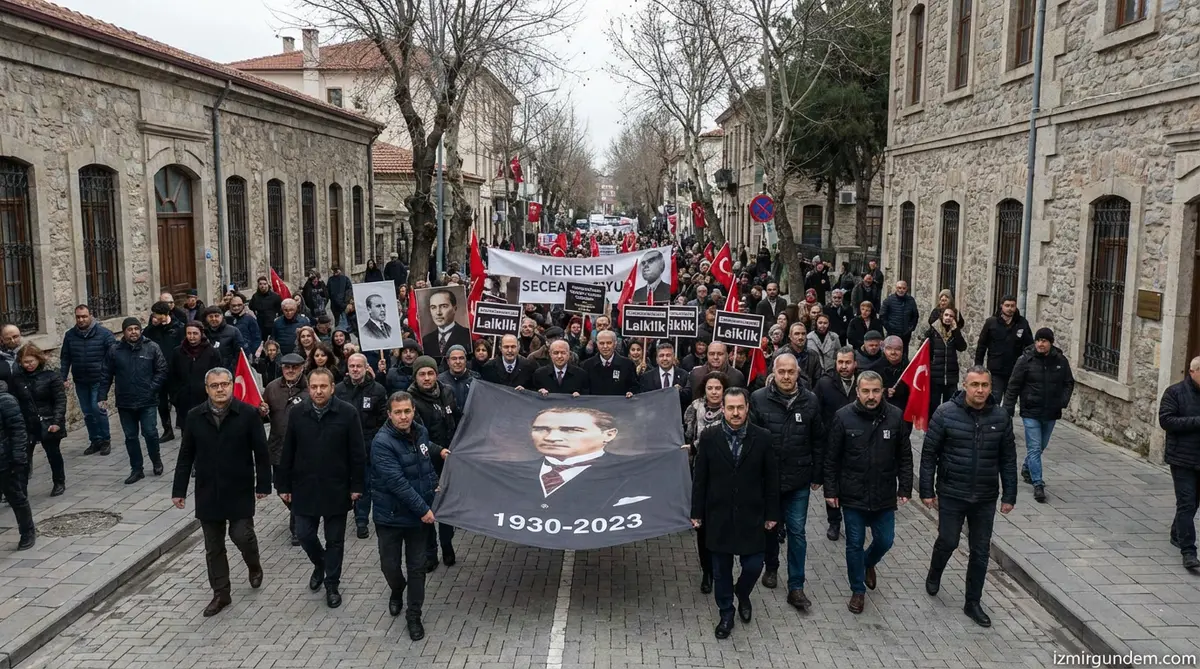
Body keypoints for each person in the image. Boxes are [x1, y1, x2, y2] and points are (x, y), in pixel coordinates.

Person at [920, 366, 1017, 628]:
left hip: (985, 496)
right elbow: (930, 454)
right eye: (975, 385)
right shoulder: (945, 414)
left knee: (980, 551)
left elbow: (1008, 458)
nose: (980, 390)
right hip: (952, 491)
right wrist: (926, 490)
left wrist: (1010, 494)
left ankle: (972, 601)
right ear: (965, 385)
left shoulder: (1001, 417)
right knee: (948, 540)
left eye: (985, 385)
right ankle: (935, 570)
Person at [171, 367, 270, 617]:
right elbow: (185, 456)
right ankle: (221, 594)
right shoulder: (195, 417)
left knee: (241, 535)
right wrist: (178, 490)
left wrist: (263, 485)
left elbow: (261, 452)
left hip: (239, 488)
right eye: (214, 386)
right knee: (213, 546)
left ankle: (253, 564)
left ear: (231, 386)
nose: (220, 389)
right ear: (207, 389)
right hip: (208, 492)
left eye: (224, 384)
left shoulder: (247, 414)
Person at [690, 387, 779, 639]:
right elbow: (700, 478)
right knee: (721, 571)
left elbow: (771, 479)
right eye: (731, 408)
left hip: (752, 515)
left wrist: (772, 513)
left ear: (747, 408)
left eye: (740, 407)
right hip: (719, 516)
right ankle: (726, 612)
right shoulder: (709, 436)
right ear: (724, 410)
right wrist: (697, 512)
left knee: (753, 565)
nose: (736, 413)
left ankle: (743, 592)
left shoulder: (762, 438)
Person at [276, 367, 367, 609]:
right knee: (305, 534)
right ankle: (321, 563)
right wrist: (283, 484)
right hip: (304, 486)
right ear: (308, 388)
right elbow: (288, 450)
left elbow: (357, 453)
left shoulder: (347, 413)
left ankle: (332, 584)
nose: (318, 391)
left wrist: (357, 485)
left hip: (336, 487)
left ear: (332, 387)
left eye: (323, 386)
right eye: (314, 387)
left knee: (335, 540)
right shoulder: (297, 413)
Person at [823, 371, 912, 614]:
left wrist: (905, 486)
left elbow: (904, 455)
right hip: (853, 494)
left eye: (875, 391)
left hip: (883, 493)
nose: (871, 396)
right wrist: (830, 491)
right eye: (866, 391)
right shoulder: (842, 417)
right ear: (857, 392)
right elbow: (831, 458)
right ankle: (857, 590)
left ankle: (868, 563)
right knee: (854, 543)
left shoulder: (895, 417)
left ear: (882, 391)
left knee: (885, 540)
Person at [749, 354, 824, 609]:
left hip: (798, 479)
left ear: (798, 373)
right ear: (774, 371)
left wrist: (817, 474)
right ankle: (771, 566)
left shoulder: (810, 401)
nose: (786, 376)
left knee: (797, 532)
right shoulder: (758, 399)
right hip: (767, 480)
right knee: (769, 527)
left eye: (791, 372)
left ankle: (796, 586)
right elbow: (752, 440)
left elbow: (818, 439)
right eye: (781, 371)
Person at [370, 391, 445, 640]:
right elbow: (397, 483)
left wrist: (440, 451)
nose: (403, 417)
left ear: (413, 411)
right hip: (390, 517)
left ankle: (414, 615)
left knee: (417, 568)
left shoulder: (420, 431)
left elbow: (424, 452)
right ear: (389, 414)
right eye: (398, 412)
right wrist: (424, 509)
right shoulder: (381, 443)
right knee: (389, 565)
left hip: (416, 521)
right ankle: (396, 588)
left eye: (407, 411)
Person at [1002, 328, 1075, 504]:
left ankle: (1027, 467)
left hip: (1051, 411)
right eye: (1038, 340)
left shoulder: (1060, 361)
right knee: (1034, 447)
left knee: (1041, 446)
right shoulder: (1025, 360)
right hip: (1030, 411)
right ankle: (1038, 484)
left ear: (1051, 343)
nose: (1041, 344)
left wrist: (1062, 401)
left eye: (1044, 341)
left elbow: (1068, 383)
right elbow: (1013, 385)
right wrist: (1008, 409)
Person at [99, 318, 168, 484]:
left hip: (147, 400)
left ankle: (156, 460)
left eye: (136, 328)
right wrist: (102, 396)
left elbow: (162, 370)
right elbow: (106, 374)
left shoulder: (152, 347)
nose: (134, 332)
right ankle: (137, 469)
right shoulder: (115, 350)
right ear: (124, 332)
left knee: (150, 433)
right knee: (130, 437)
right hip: (125, 401)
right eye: (130, 329)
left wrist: (151, 388)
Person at [407, 355, 460, 570]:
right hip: (425, 461)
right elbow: (415, 436)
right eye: (422, 374)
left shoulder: (446, 391)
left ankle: (447, 545)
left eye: (430, 373)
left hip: (449, 459)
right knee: (427, 509)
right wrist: (439, 451)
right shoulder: (410, 400)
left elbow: (457, 418)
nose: (427, 378)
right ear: (415, 377)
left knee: (446, 506)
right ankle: (431, 552)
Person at [683, 371, 728, 594]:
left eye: (718, 388)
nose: (714, 392)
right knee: (703, 528)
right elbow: (687, 436)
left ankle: (721, 569)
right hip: (700, 473)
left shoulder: (732, 408)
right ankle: (707, 571)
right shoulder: (694, 408)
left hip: (726, 475)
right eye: (710, 388)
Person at [335, 354, 388, 540]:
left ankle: (362, 520)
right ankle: (355, 515)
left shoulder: (378, 390)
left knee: (366, 483)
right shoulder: (339, 390)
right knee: (353, 483)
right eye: (352, 366)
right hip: (344, 446)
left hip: (369, 444)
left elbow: (383, 419)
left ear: (366, 368)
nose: (355, 369)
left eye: (359, 366)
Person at [260, 352, 308, 545]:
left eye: (294, 367)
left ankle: (297, 527)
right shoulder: (271, 388)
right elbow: (264, 416)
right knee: (281, 488)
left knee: (298, 488)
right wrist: (262, 412)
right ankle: (300, 512)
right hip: (278, 447)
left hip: (303, 450)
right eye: (286, 367)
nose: (290, 370)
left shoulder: (310, 388)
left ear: (302, 368)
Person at [1158, 356, 1200, 571]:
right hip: (1182, 458)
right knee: (1186, 503)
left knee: (1193, 504)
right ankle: (1189, 552)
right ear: (1192, 372)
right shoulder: (1174, 393)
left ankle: (1177, 532)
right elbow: (1166, 421)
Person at [814, 346, 859, 542]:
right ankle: (834, 521)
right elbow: (815, 411)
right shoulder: (825, 383)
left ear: (855, 364)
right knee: (831, 483)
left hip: (857, 444)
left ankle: (852, 520)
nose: (843, 366)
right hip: (831, 443)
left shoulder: (863, 383)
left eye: (847, 362)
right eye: (840, 362)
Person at [60, 304, 116, 455]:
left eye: (84, 316)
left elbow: (113, 355)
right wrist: (63, 377)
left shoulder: (104, 334)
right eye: (78, 317)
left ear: (90, 315)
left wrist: (110, 374)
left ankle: (105, 440)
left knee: (97, 409)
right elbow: (65, 357)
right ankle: (95, 440)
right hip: (81, 380)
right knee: (87, 412)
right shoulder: (70, 335)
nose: (81, 320)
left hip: (99, 380)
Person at [17, 344, 67, 496]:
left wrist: (57, 422)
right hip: (28, 422)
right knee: (23, 457)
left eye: (32, 361)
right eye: (26, 362)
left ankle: (59, 481)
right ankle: (20, 489)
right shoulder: (18, 379)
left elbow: (60, 400)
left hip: (48, 420)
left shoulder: (50, 376)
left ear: (38, 359)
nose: (29, 365)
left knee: (53, 453)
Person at [167, 323, 222, 436]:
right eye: (189, 333)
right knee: (187, 436)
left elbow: (218, 375)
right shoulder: (178, 352)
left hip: (206, 400)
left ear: (201, 334)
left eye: (195, 333)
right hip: (184, 401)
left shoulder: (212, 352)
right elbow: (172, 376)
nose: (192, 336)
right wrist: (176, 396)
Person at [975, 295, 1033, 401]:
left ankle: (1007, 417)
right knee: (994, 399)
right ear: (1002, 306)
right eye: (1007, 305)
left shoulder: (1022, 323)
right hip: (996, 369)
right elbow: (982, 345)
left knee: (1010, 400)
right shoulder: (991, 323)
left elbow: (1029, 346)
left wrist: (1027, 365)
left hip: (1015, 369)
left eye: (1012, 306)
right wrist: (978, 366)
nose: (1010, 308)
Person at [0, 378, 34, 549]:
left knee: (16, 497)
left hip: (5, 460)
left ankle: (27, 532)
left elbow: (18, 430)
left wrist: (19, 458)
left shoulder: (5, 400)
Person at [145, 302, 186, 441]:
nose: (153, 317)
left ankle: (185, 429)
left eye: (156, 314)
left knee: (179, 402)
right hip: (158, 372)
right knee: (161, 403)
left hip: (175, 372)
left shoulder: (179, 328)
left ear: (164, 315)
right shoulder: (151, 330)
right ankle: (167, 430)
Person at [925, 307, 968, 418]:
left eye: (951, 316)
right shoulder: (932, 331)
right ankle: (931, 428)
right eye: (946, 315)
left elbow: (962, 347)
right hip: (935, 376)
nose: (948, 318)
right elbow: (924, 351)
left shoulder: (954, 333)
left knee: (950, 406)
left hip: (951, 376)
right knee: (933, 405)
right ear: (942, 316)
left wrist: (956, 331)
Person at [581, 331, 639, 397]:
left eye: (609, 343)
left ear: (615, 344)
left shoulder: (627, 364)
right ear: (597, 344)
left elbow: (634, 387)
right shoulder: (587, 365)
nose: (605, 346)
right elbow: (583, 389)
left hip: (619, 406)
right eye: (601, 343)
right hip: (594, 406)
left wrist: (631, 392)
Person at [420, 289, 472, 358]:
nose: (438, 312)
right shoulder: (426, 340)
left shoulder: (468, 336)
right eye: (433, 307)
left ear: (454, 308)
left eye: (443, 306)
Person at [770, 322, 823, 388]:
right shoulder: (779, 354)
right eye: (797, 334)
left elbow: (817, 381)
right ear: (790, 336)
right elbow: (772, 377)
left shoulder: (813, 355)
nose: (800, 337)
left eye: (803, 334)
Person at [879, 281, 919, 356]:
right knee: (891, 353)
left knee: (903, 354)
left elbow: (915, 316)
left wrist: (911, 328)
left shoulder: (911, 300)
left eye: (903, 288)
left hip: (906, 334)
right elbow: (882, 316)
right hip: (892, 333)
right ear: (896, 288)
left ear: (907, 289)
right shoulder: (889, 300)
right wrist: (889, 328)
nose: (901, 290)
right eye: (899, 288)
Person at [437, 346, 478, 412]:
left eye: (461, 358)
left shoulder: (476, 378)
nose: (458, 362)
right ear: (448, 361)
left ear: (466, 360)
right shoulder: (440, 381)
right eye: (454, 358)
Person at [878, 336, 911, 413]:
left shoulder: (910, 368)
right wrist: (885, 392)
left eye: (897, 349)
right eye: (889, 348)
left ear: (902, 350)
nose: (893, 352)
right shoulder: (875, 369)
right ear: (883, 349)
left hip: (905, 411)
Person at [225, 293, 262, 360]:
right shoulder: (225, 320)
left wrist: (252, 353)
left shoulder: (250, 319)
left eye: (239, 305)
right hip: (229, 355)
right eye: (234, 305)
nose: (236, 308)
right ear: (229, 306)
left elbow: (257, 338)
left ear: (243, 305)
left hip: (246, 354)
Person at [249, 276, 282, 343]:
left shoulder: (275, 296)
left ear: (268, 284)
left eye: (264, 284)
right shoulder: (255, 296)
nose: (262, 286)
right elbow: (251, 307)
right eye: (260, 284)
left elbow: (280, 310)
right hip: (260, 326)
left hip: (272, 325)